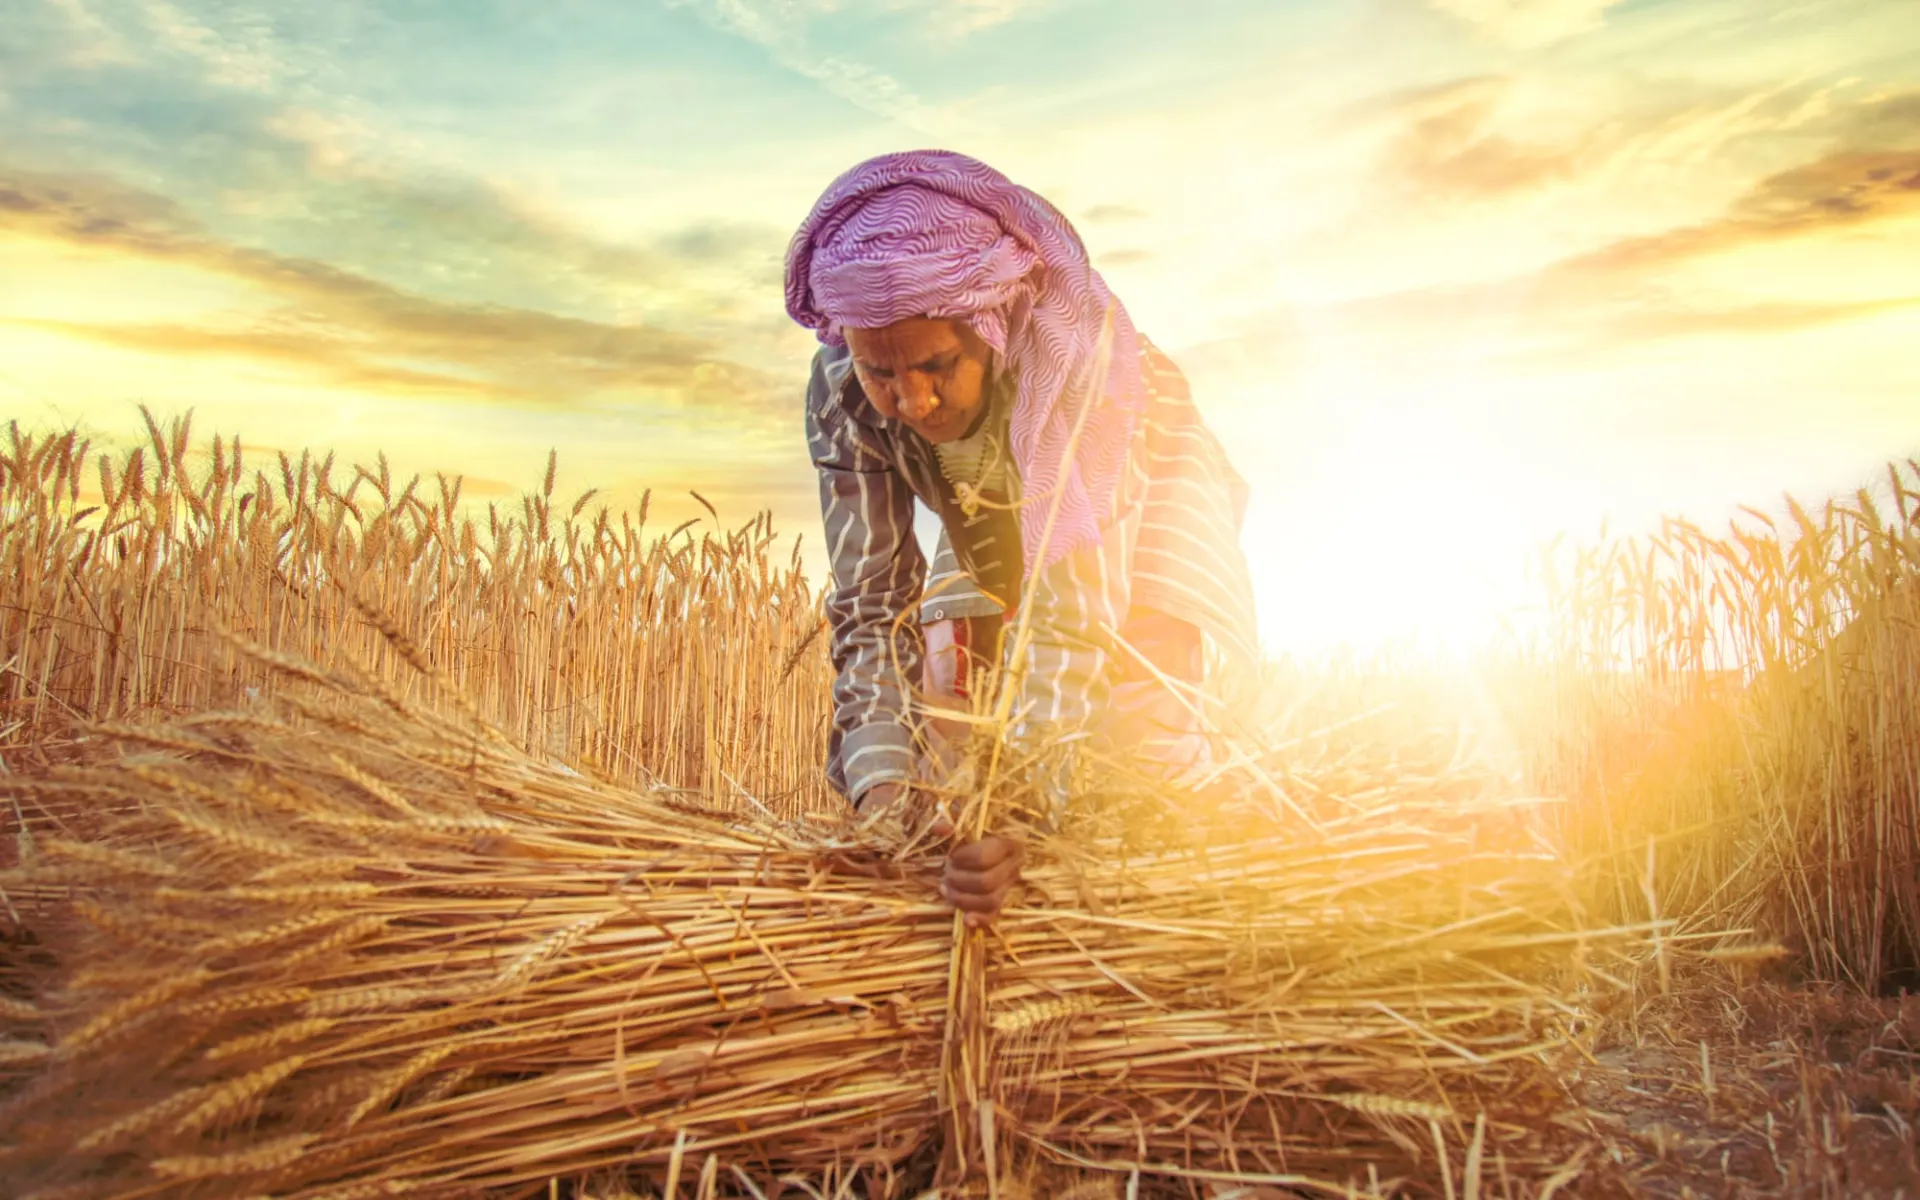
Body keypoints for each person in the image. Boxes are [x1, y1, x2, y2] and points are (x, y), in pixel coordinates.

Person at [784, 150, 1259, 923]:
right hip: (990, 499)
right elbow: (871, 606)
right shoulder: (840, 388)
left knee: (1138, 730)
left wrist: (1019, 818)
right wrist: (887, 802)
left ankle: (1175, 915)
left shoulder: (1080, 370)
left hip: (1146, 476)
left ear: (991, 327)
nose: (912, 398)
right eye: (883, 373)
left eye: (936, 364)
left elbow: (1073, 617)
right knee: (952, 701)